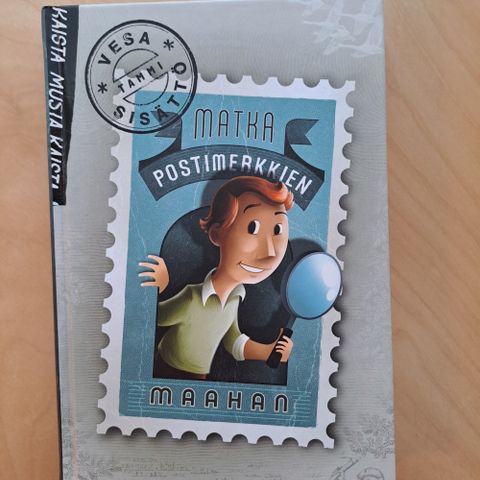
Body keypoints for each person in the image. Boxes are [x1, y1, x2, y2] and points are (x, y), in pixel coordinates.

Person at [139, 176, 294, 380]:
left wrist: (267, 351)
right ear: (216, 235)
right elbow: (156, 318)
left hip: (200, 378)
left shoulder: (234, 298)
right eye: (252, 228)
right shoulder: (192, 298)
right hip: (165, 371)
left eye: (277, 230)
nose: (270, 253)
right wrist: (161, 289)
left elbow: (233, 340)